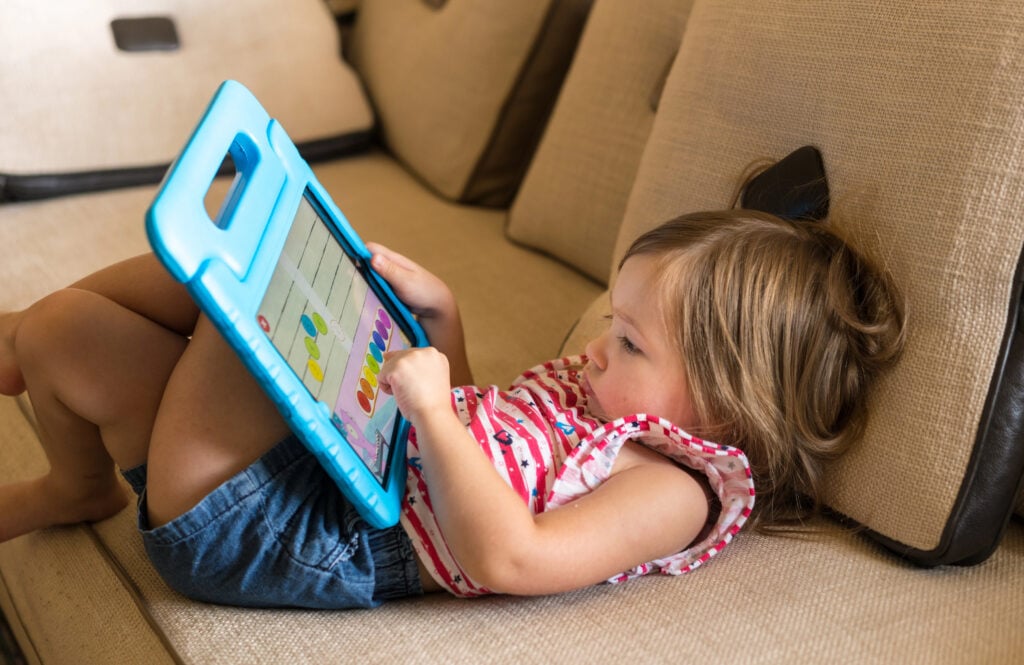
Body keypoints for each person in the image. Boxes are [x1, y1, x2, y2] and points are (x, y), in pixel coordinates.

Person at [0, 209, 904, 607]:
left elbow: (510, 553)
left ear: (728, 406)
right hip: (343, 451)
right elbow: (489, 434)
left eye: (629, 340)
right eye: (611, 317)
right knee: (63, 331)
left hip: (292, 534)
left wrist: (431, 414)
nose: (595, 347)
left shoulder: (675, 489)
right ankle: (76, 481)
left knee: (252, 279)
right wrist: (446, 326)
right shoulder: (601, 391)